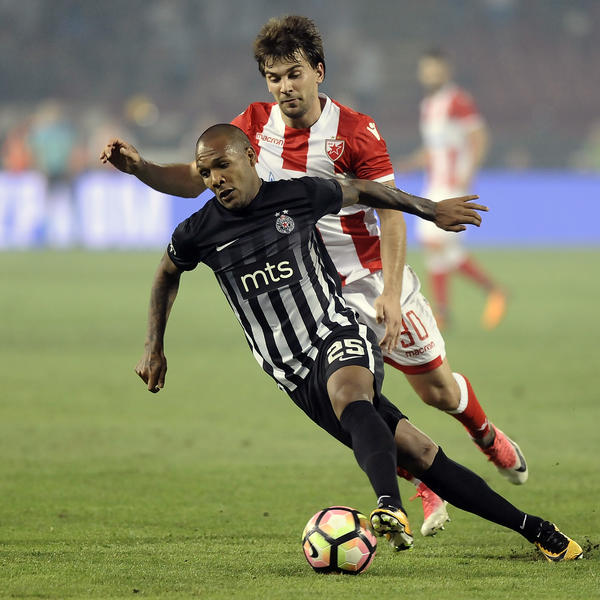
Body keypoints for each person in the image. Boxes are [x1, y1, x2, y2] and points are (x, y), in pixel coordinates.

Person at [101, 15, 527, 538]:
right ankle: (420, 483)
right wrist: (140, 167)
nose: (285, 87)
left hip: (368, 277)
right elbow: (195, 179)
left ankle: (484, 433)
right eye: (274, 77)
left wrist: (393, 293)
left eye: (294, 74)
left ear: (318, 72)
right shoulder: (252, 125)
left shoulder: (356, 131)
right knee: (354, 403)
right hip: (309, 292)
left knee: (436, 391)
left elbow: (389, 210)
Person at [135, 123, 582, 562]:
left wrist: (430, 210)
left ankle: (390, 505)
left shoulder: (298, 196)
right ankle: (537, 529)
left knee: (350, 394)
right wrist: (154, 346)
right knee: (422, 453)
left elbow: (365, 190)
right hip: (293, 374)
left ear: (250, 157)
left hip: (336, 331)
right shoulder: (198, 232)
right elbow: (165, 275)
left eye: (222, 166)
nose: (215, 180)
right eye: (205, 172)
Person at [397, 48, 507, 331]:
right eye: (427, 69)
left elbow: (479, 137)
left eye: (436, 68)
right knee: (438, 249)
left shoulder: (457, 100)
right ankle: (447, 311)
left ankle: (491, 291)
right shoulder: (428, 105)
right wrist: (409, 163)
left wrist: (468, 174)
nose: (431, 73)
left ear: (446, 70)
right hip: (434, 183)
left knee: (435, 242)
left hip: (452, 185)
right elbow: (433, 150)